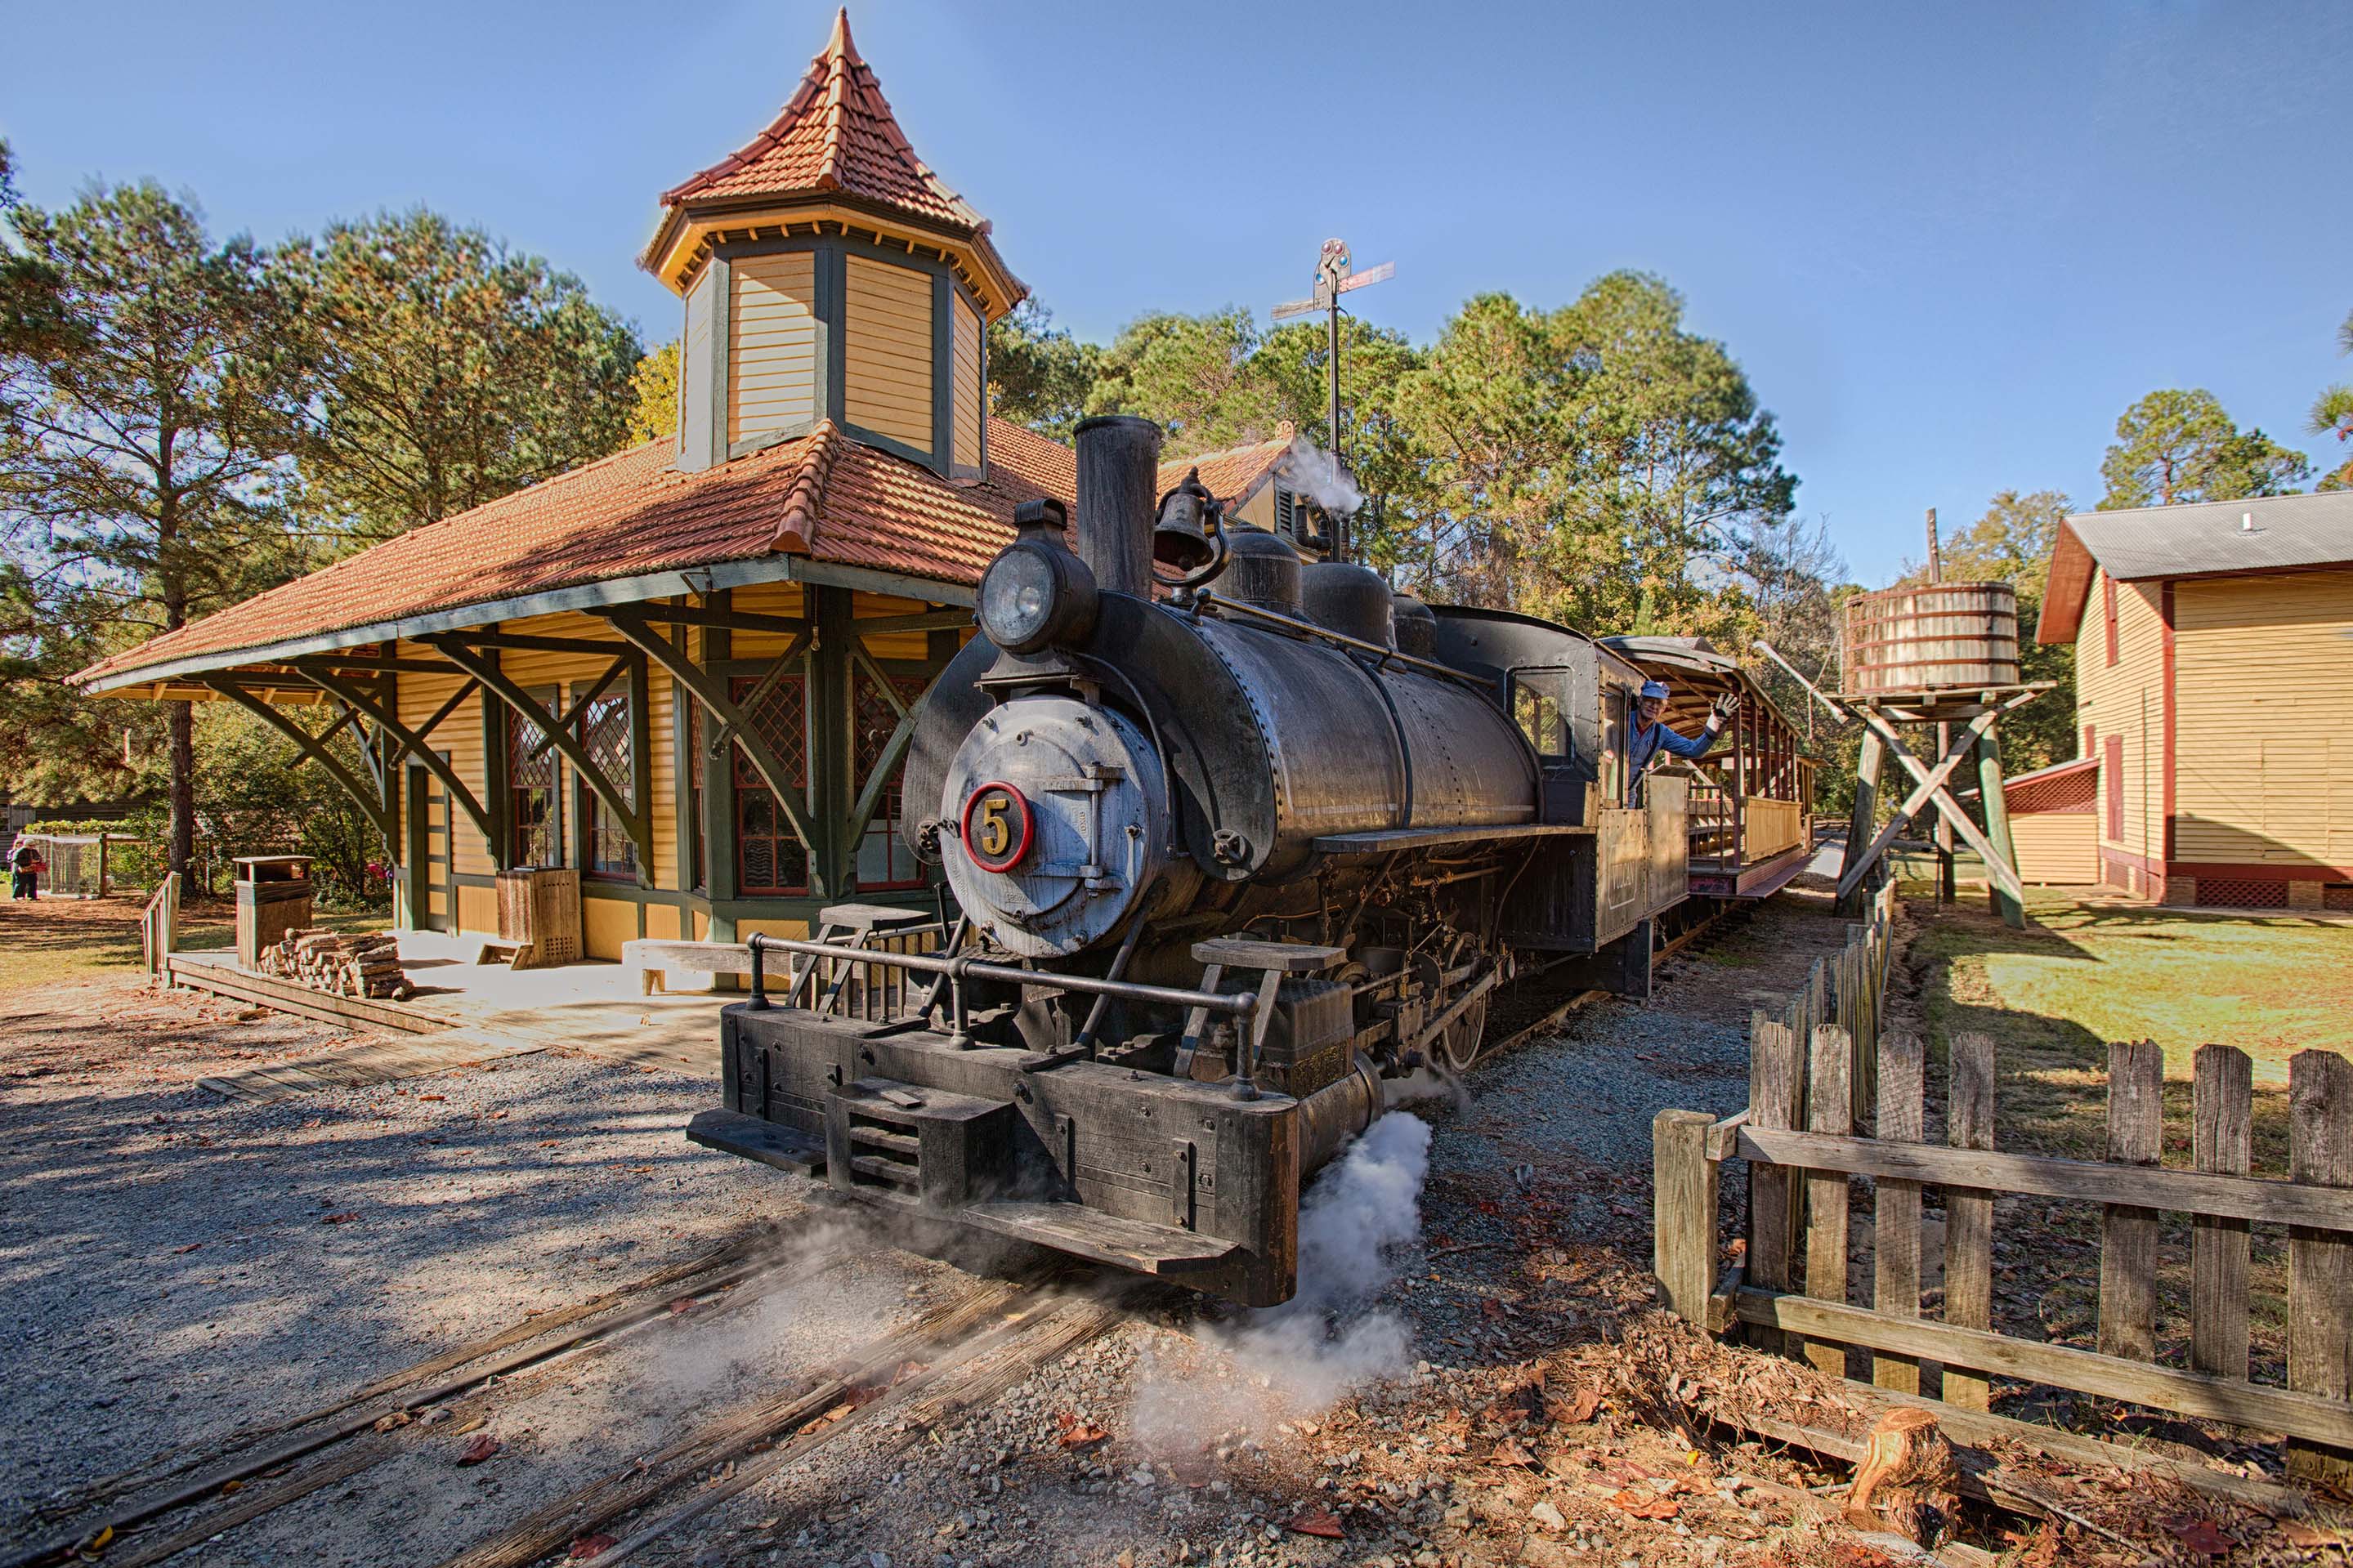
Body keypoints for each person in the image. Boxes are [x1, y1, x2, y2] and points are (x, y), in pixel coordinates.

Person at [1626, 680, 1738, 804]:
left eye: (1659, 703)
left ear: (1663, 709)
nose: (1654, 706)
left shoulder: (1660, 733)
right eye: (1650, 700)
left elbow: (1694, 751)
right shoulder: (1620, 719)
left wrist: (1717, 723)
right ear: (1640, 700)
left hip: (1628, 795)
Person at [9, 835, 42, 900]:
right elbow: (15, 860)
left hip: (31, 869)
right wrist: (29, 861)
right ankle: (15, 896)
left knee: (33, 882)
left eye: (33, 845)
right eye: (30, 845)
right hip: (20, 869)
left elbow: (39, 857)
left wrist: (37, 860)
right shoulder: (20, 851)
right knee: (21, 883)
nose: (32, 847)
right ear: (26, 845)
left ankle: (32, 896)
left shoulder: (34, 851)